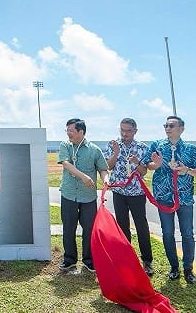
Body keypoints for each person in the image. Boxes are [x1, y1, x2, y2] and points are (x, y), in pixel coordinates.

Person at [147, 115, 196, 284]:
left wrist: (187, 170)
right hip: (163, 196)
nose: (167, 128)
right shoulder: (157, 145)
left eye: (171, 125)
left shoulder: (191, 149)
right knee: (167, 233)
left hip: (184, 197)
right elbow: (147, 165)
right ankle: (173, 267)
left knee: (187, 233)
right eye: (165, 125)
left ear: (181, 128)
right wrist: (156, 164)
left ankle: (188, 269)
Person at [57, 118, 108, 273]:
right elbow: (66, 164)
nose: (68, 133)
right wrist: (84, 177)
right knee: (68, 228)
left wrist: (106, 180)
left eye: (71, 130)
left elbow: (103, 169)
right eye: (67, 130)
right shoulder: (65, 145)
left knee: (89, 229)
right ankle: (69, 259)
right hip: (69, 194)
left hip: (88, 197)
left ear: (81, 131)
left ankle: (88, 260)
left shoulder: (94, 150)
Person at [105, 117, 154, 275]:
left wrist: (136, 162)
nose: (124, 134)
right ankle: (126, 258)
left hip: (137, 193)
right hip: (119, 192)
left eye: (128, 131)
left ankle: (147, 261)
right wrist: (115, 153)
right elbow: (108, 166)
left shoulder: (142, 147)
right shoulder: (113, 145)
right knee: (122, 225)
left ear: (135, 131)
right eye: (122, 130)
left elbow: (144, 172)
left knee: (141, 226)